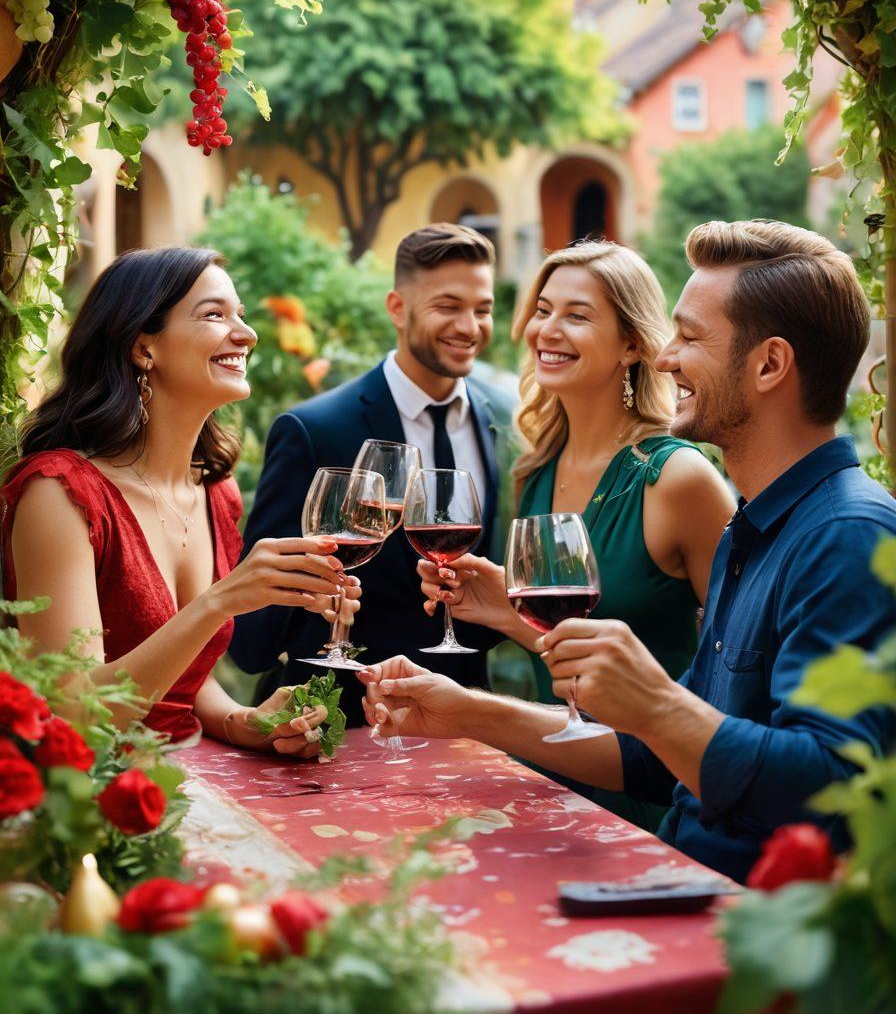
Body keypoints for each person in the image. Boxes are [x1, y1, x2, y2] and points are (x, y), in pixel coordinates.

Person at [361, 219, 896, 883]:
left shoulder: (848, 535)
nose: (666, 357)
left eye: (690, 338)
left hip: (737, 923)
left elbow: (840, 791)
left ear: (768, 365)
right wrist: (468, 712)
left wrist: (659, 703)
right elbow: (658, 754)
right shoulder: (756, 530)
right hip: (675, 872)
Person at [416, 240, 734, 828]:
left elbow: (736, 668)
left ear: (633, 345)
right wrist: (503, 613)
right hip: (554, 781)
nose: (547, 330)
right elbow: (571, 646)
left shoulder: (676, 478)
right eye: (542, 309)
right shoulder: (537, 468)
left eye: (577, 315)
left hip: (653, 798)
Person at [1, 247, 363, 757]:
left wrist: (247, 721)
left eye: (241, 314)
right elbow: (75, 715)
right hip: (96, 797)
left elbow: (182, 685)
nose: (247, 333)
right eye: (215, 315)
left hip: (193, 775)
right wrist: (219, 602)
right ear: (143, 347)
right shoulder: (60, 494)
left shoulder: (216, 491)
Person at [229, 223, 510, 725]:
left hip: (465, 731)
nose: (470, 326)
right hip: (337, 725)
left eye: (483, 309)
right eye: (448, 306)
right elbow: (253, 636)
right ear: (397, 308)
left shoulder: (502, 424)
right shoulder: (314, 430)